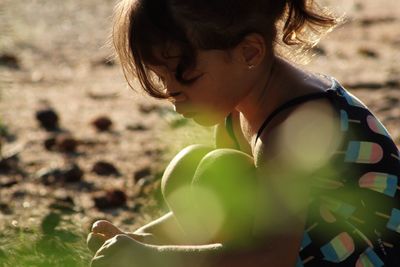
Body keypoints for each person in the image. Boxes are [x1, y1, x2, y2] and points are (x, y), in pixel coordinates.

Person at [87, 0, 400, 266]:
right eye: (162, 78)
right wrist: (142, 239)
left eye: (187, 77)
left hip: (362, 256)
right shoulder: (240, 104)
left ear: (249, 53)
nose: (172, 94)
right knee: (191, 169)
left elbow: (272, 255)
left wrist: (156, 258)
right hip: (302, 243)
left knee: (218, 169)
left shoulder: (297, 127)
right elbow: (213, 208)